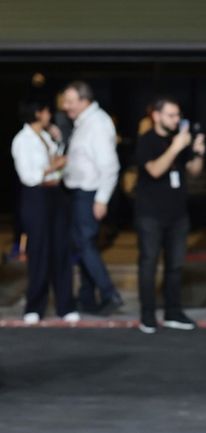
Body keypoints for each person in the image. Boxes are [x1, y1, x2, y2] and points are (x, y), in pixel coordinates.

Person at [134, 97, 205, 333]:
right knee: (149, 263)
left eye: (178, 115)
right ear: (157, 116)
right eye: (171, 115)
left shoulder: (180, 141)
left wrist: (198, 153)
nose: (176, 119)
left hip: (178, 213)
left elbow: (193, 172)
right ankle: (147, 314)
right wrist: (176, 146)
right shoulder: (147, 141)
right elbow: (154, 170)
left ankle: (173, 311)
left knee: (175, 265)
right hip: (150, 213)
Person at [12, 98, 79, 324]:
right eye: (46, 110)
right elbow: (28, 175)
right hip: (36, 196)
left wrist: (58, 144)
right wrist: (54, 166)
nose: (49, 114)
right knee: (39, 251)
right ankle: (35, 306)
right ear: (37, 113)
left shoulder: (47, 135)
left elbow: (56, 161)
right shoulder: (23, 140)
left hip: (55, 193)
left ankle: (65, 304)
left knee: (61, 249)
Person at [61, 81, 123, 316]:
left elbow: (110, 166)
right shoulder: (85, 122)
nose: (66, 106)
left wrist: (101, 199)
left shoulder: (97, 124)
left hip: (89, 194)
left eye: (70, 101)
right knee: (82, 243)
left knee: (85, 244)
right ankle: (87, 298)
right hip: (81, 193)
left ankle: (109, 293)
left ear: (84, 100)